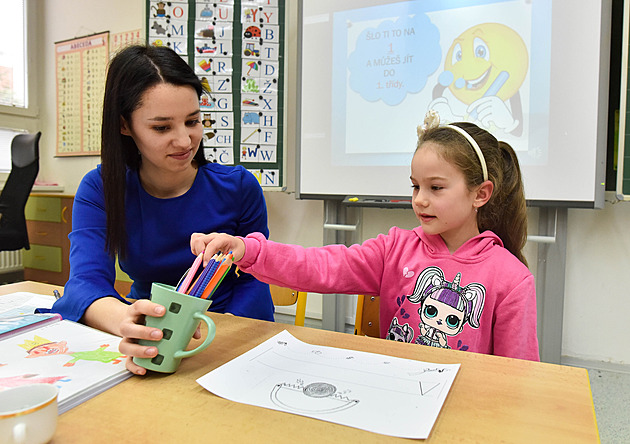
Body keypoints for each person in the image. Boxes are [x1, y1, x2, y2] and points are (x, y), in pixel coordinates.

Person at [191, 110, 539, 361]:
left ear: (481, 193)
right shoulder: (395, 249)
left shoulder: (511, 279)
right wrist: (247, 249)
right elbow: (321, 265)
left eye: (436, 187)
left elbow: (519, 377)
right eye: (416, 186)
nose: (420, 199)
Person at [52, 45, 274, 374]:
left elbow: (255, 279)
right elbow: (85, 283)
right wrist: (127, 321)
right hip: (152, 332)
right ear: (125, 125)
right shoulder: (101, 188)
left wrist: (214, 332)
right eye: (161, 127)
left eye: (193, 121)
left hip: (229, 334)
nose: (185, 141)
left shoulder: (238, 187)